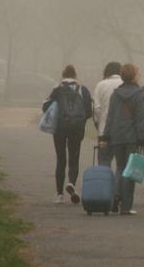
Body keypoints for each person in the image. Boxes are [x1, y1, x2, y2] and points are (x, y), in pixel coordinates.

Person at [99, 63, 144, 215]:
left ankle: (115, 196)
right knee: (131, 171)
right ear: (134, 76)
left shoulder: (116, 94)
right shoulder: (139, 95)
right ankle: (126, 206)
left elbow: (110, 117)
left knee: (120, 168)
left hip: (116, 136)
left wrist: (105, 136)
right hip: (132, 138)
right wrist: (142, 138)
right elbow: (141, 119)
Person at [42, 65, 93, 204]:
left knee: (61, 159)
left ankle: (59, 194)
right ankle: (71, 183)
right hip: (77, 128)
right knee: (74, 157)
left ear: (63, 76)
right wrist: (78, 120)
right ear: (75, 76)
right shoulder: (83, 90)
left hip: (60, 128)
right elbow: (89, 111)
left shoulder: (57, 89)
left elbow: (45, 107)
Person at [92, 61, 123, 211]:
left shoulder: (100, 85)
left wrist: (99, 124)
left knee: (104, 163)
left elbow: (96, 109)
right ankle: (117, 195)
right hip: (121, 133)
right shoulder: (125, 84)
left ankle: (104, 196)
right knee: (121, 166)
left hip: (104, 132)